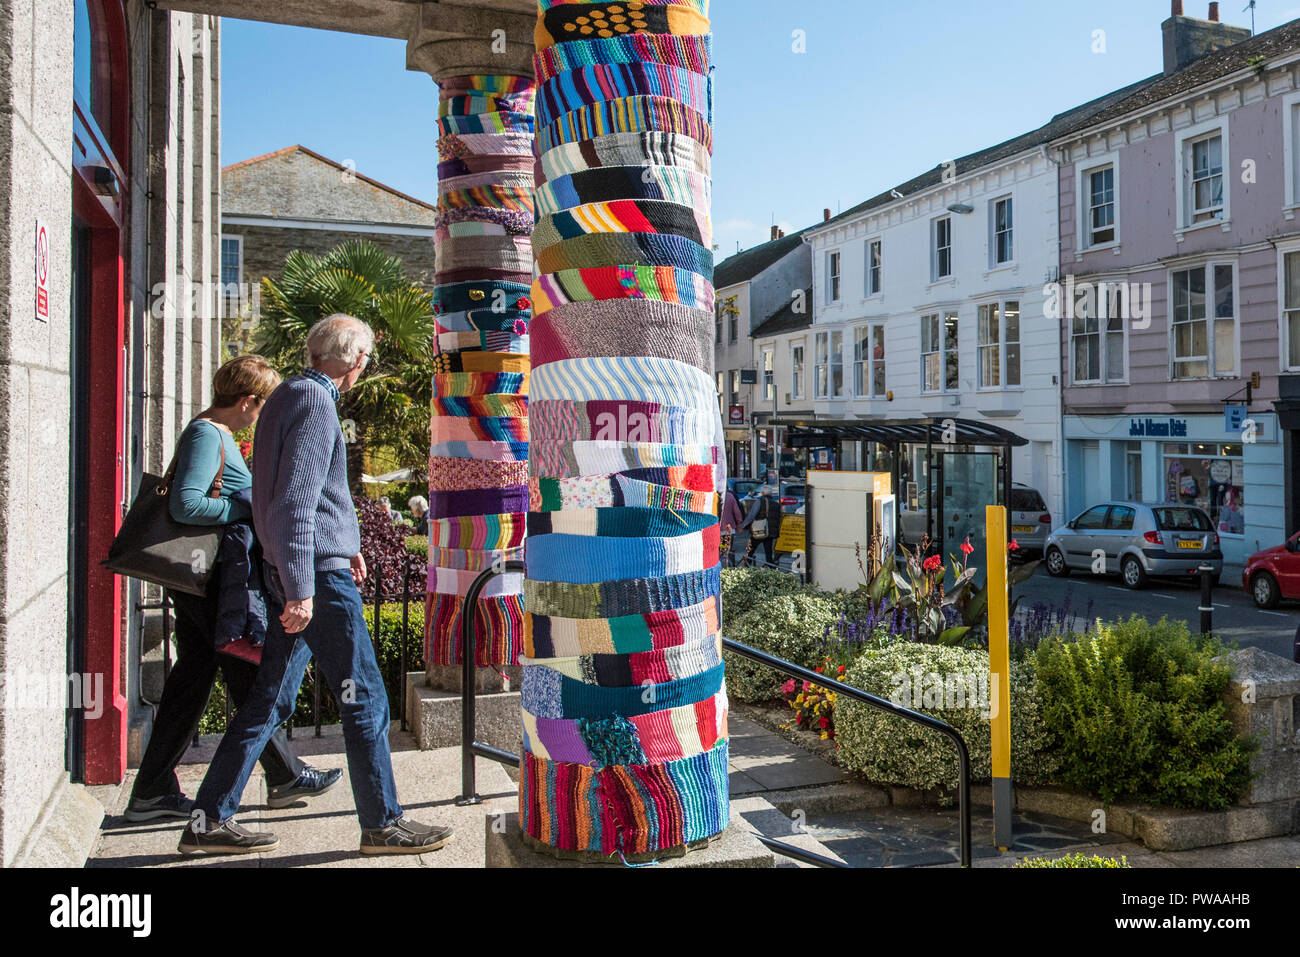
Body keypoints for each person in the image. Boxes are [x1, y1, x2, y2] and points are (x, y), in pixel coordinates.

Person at [180, 315, 452, 856]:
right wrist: (302, 586)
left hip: (303, 570)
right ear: (353, 358)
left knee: (269, 702)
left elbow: (302, 492)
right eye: (366, 357)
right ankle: (382, 823)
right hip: (314, 581)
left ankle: (208, 820)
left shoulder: (286, 396)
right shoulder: (313, 400)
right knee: (366, 698)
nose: (366, 366)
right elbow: (293, 502)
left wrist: (343, 544)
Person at [125, 356, 341, 823]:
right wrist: (248, 510)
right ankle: (281, 775)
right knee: (247, 674)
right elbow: (186, 505)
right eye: (262, 405)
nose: (262, 415)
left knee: (195, 682)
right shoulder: (208, 434)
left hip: (207, 583)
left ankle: (154, 789)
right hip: (211, 584)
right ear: (247, 401)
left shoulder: (213, 433)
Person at [741, 485, 784, 568]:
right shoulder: (776, 504)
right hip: (770, 532)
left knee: (751, 549)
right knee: (768, 552)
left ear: (762, 493)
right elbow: (779, 517)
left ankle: (746, 566)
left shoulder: (759, 501)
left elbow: (752, 515)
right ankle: (771, 568)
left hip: (759, 529)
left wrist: (743, 525)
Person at [720, 487, 744, 566]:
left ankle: (720, 565)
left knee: (719, 549)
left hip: (716, 528)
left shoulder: (715, 496)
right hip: (729, 527)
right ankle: (730, 565)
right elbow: (736, 511)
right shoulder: (730, 496)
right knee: (729, 548)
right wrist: (739, 522)